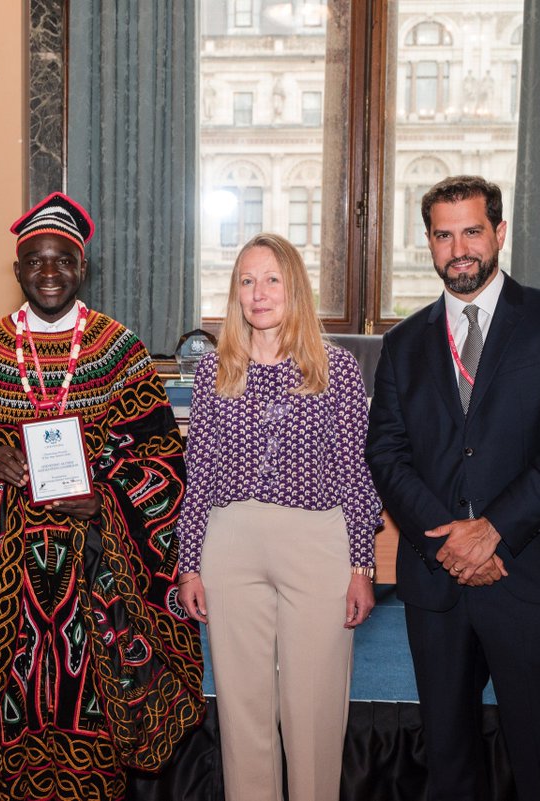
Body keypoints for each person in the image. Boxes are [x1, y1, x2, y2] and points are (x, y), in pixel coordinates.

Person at [0, 192, 205, 801]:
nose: (50, 272)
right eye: (36, 261)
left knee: (94, 703)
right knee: (17, 702)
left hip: (98, 569)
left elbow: (161, 459)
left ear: (83, 269)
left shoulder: (118, 351)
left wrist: (107, 497)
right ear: (17, 270)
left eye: (63, 260)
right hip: (4, 572)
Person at [365, 175, 540, 800]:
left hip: (528, 571)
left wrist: (494, 531)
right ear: (429, 243)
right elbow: (387, 453)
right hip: (437, 578)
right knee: (449, 760)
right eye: (443, 236)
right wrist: (450, 541)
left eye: (471, 231)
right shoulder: (402, 343)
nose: (459, 249)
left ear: (498, 233)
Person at [175, 233, 382, 801]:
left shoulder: (335, 369)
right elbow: (199, 478)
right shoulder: (215, 371)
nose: (258, 293)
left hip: (316, 544)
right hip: (229, 546)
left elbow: (355, 472)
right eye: (246, 280)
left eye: (271, 280)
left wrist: (361, 564)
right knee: (243, 713)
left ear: (294, 289)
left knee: (312, 707)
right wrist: (188, 566)